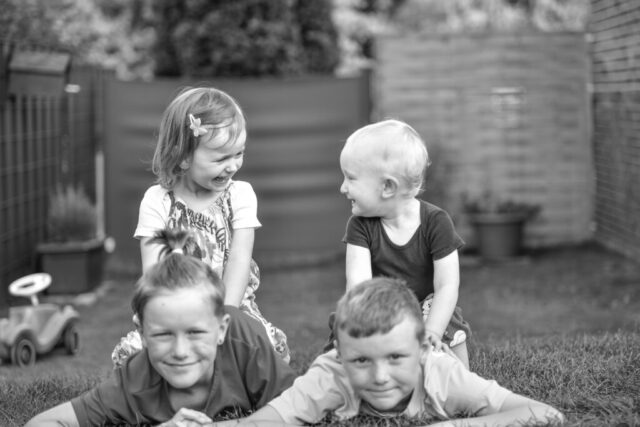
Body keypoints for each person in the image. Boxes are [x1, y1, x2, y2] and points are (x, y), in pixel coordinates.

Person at [25, 229, 296, 427]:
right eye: (163, 334)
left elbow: (300, 409)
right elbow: (42, 423)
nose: (180, 351)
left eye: (195, 332)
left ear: (222, 328)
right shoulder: (135, 380)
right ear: (142, 334)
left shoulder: (243, 342)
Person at [224, 277, 564, 426]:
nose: (380, 377)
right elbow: (266, 422)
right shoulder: (331, 374)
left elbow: (546, 414)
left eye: (396, 358)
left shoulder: (442, 376)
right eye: (361, 360)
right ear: (339, 354)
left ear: (422, 349)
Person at [112, 86, 290, 366]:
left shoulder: (240, 195)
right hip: (174, 311)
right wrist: (168, 317)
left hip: (231, 308)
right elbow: (154, 272)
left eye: (239, 154)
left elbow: (239, 260)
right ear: (182, 156)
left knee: (267, 350)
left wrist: (225, 317)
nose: (233, 166)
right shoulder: (157, 201)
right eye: (221, 158)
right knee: (132, 356)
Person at [331, 118, 471, 368]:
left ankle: (454, 375)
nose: (342, 188)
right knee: (345, 324)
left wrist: (432, 332)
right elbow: (359, 288)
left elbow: (447, 285)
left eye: (350, 178)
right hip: (382, 310)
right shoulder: (360, 225)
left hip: (427, 311)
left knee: (446, 324)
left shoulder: (436, 222)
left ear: (387, 187)